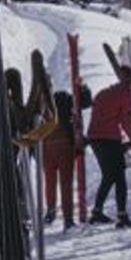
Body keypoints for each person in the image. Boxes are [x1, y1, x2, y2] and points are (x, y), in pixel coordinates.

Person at [87, 66, 131, 228]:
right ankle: (122, 216)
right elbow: (125, 119)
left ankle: (97, 211)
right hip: (109, 138)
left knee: (109, 176)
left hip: (95, 138)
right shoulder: (125, 95)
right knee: (119, 177)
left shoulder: (105, 92)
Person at [41, 91, 78, 231]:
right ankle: (68, 218)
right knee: (66, 184)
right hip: (65, 148)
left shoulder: (47, 115)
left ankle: (51, 210)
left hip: (48, 148)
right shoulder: (69, 117)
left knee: (50, 182)